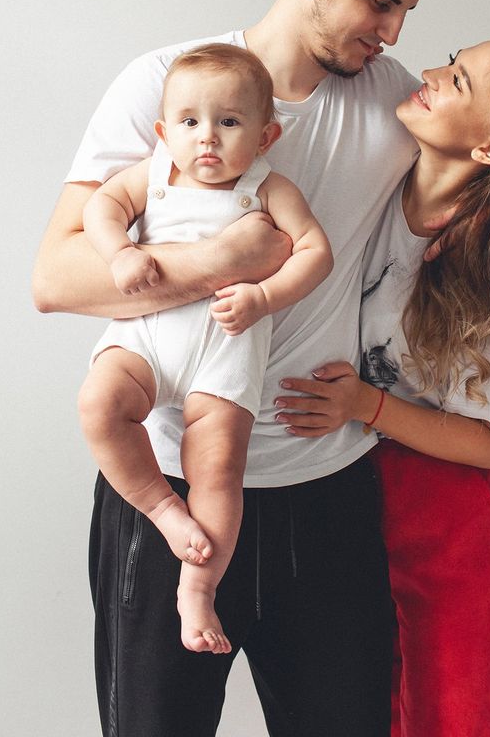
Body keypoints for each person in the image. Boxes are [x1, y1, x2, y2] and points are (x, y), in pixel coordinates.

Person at [32, 0, 437, 737]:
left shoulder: (397, 106)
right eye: (381, 2)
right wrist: (226, 260)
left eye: (403, 12)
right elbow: (58, 277)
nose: (394, 30)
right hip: (166, 487)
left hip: (326, 493)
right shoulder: (169, 85)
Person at [275, 35, 490, 737]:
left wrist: (365, 405)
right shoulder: (368, 182)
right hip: (345, 509)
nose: (430, 73)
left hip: (450, 536)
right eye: (451, 61)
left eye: (457, 80)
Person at [79, 43, 333, 656]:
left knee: (218, 469)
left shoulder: (270, 189)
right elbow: (99, 205)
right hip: (147, 337)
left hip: (226, 348)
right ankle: (163, 509)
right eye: (190, 123)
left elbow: (316, 253)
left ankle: (198, 587)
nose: (207, 139)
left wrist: (265, 298)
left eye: (229, 122)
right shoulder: (154, 176)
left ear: (266, 135)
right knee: (98, 405)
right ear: (165, 131)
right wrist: (120, 252)